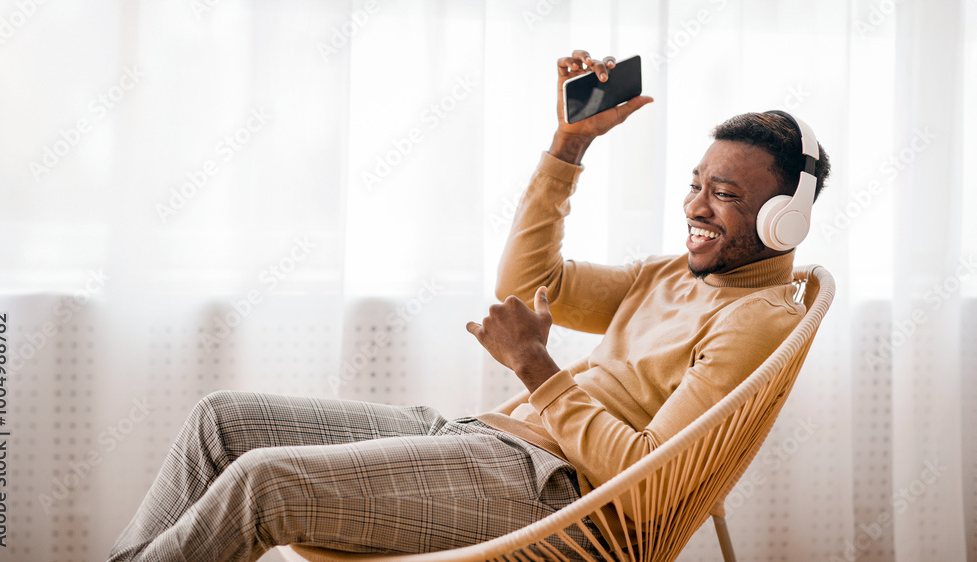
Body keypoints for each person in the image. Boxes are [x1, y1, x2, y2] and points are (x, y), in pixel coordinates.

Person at [107, 50, 830, 562]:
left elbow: (646, 483)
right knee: (223, 421)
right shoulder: (675, 272)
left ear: (783, 220)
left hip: (553, 496)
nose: (696, 207)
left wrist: (536, 367)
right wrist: (568, 147)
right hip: (489, 440)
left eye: (725, 195)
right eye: (696, 183)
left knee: (262, 486)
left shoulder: (755, 321)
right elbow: (527, 282)